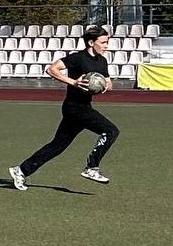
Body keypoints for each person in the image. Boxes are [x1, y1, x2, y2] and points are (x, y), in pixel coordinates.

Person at [10, 24, 119, 191]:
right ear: (91, 42)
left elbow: (108, 82)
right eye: (103, 42)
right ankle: (92, 167)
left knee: (57, 146)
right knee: (110, 131)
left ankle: (21, 170)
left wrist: (104, 86)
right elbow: (51, 69)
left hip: (83, 106)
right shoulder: (77, 58)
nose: (106, 46)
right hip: (74, 108)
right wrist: (73, 82)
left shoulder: (102, 61)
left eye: (107, 42)